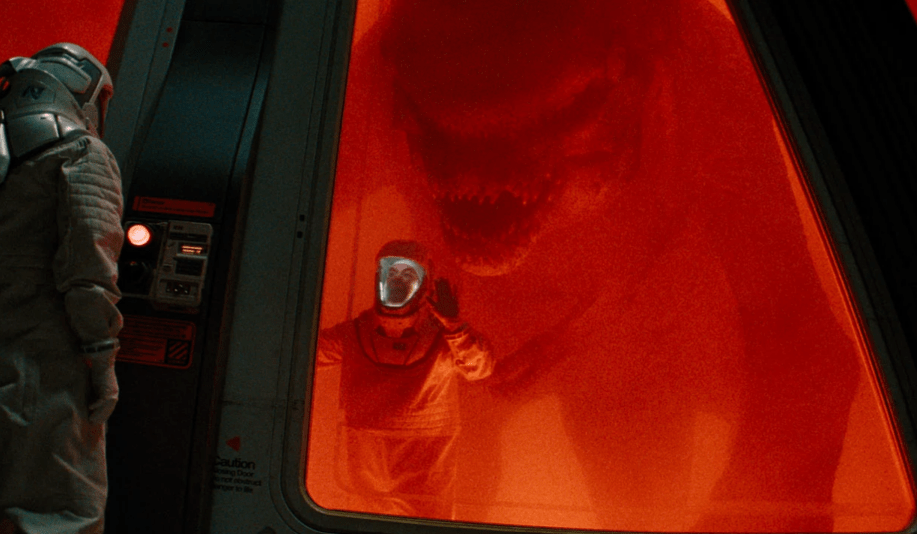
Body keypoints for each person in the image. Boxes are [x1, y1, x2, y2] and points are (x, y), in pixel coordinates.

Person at [323, 0, 873, 530]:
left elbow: (803, 350)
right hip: (475, 353)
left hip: (640, 349)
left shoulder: (696, 57)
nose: (476, 164)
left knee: (630, 478)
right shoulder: (405, 54)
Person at [0, 43, 123, 534]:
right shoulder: (82, 154)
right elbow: (89, 272)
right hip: (40, 367)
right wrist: (101, 361)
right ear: (83, 94)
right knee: (62, 513)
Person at [315, 240, 494, 519]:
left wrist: (455, 327)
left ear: (425, 283)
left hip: (426, 447)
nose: (396, 281)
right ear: (378, 278)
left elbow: (480, 368)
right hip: (367, 445)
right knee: (368, 521)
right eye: (390, 272)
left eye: (407, 274)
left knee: (428, 522)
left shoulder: (443, 337)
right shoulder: (356, 333)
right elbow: (305, 354)